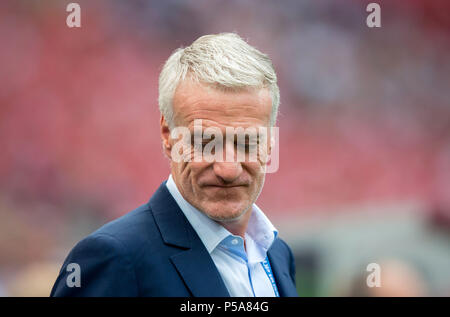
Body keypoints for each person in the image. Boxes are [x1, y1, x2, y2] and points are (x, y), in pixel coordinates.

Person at [51, 33, 298, 297]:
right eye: (205, 141)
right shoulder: (114, 259)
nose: (228, 168)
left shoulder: (278, 254)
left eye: (247, 141)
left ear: (270, 141)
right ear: (168, 135)